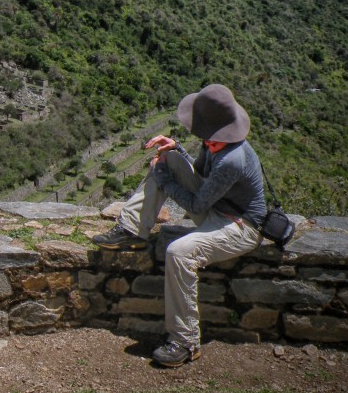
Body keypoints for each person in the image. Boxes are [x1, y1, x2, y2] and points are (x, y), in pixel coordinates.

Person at [91, 83, 266, 368]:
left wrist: (165, 181)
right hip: (216, 209)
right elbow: (198, 176)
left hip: (240, 226)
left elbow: (196, 205)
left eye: (210, 137)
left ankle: (185, 341)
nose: (207, 141)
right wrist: (176, 150)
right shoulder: (215, 142)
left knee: (179, 252)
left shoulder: (232, 160)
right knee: (168, 158)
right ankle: (132, 230)